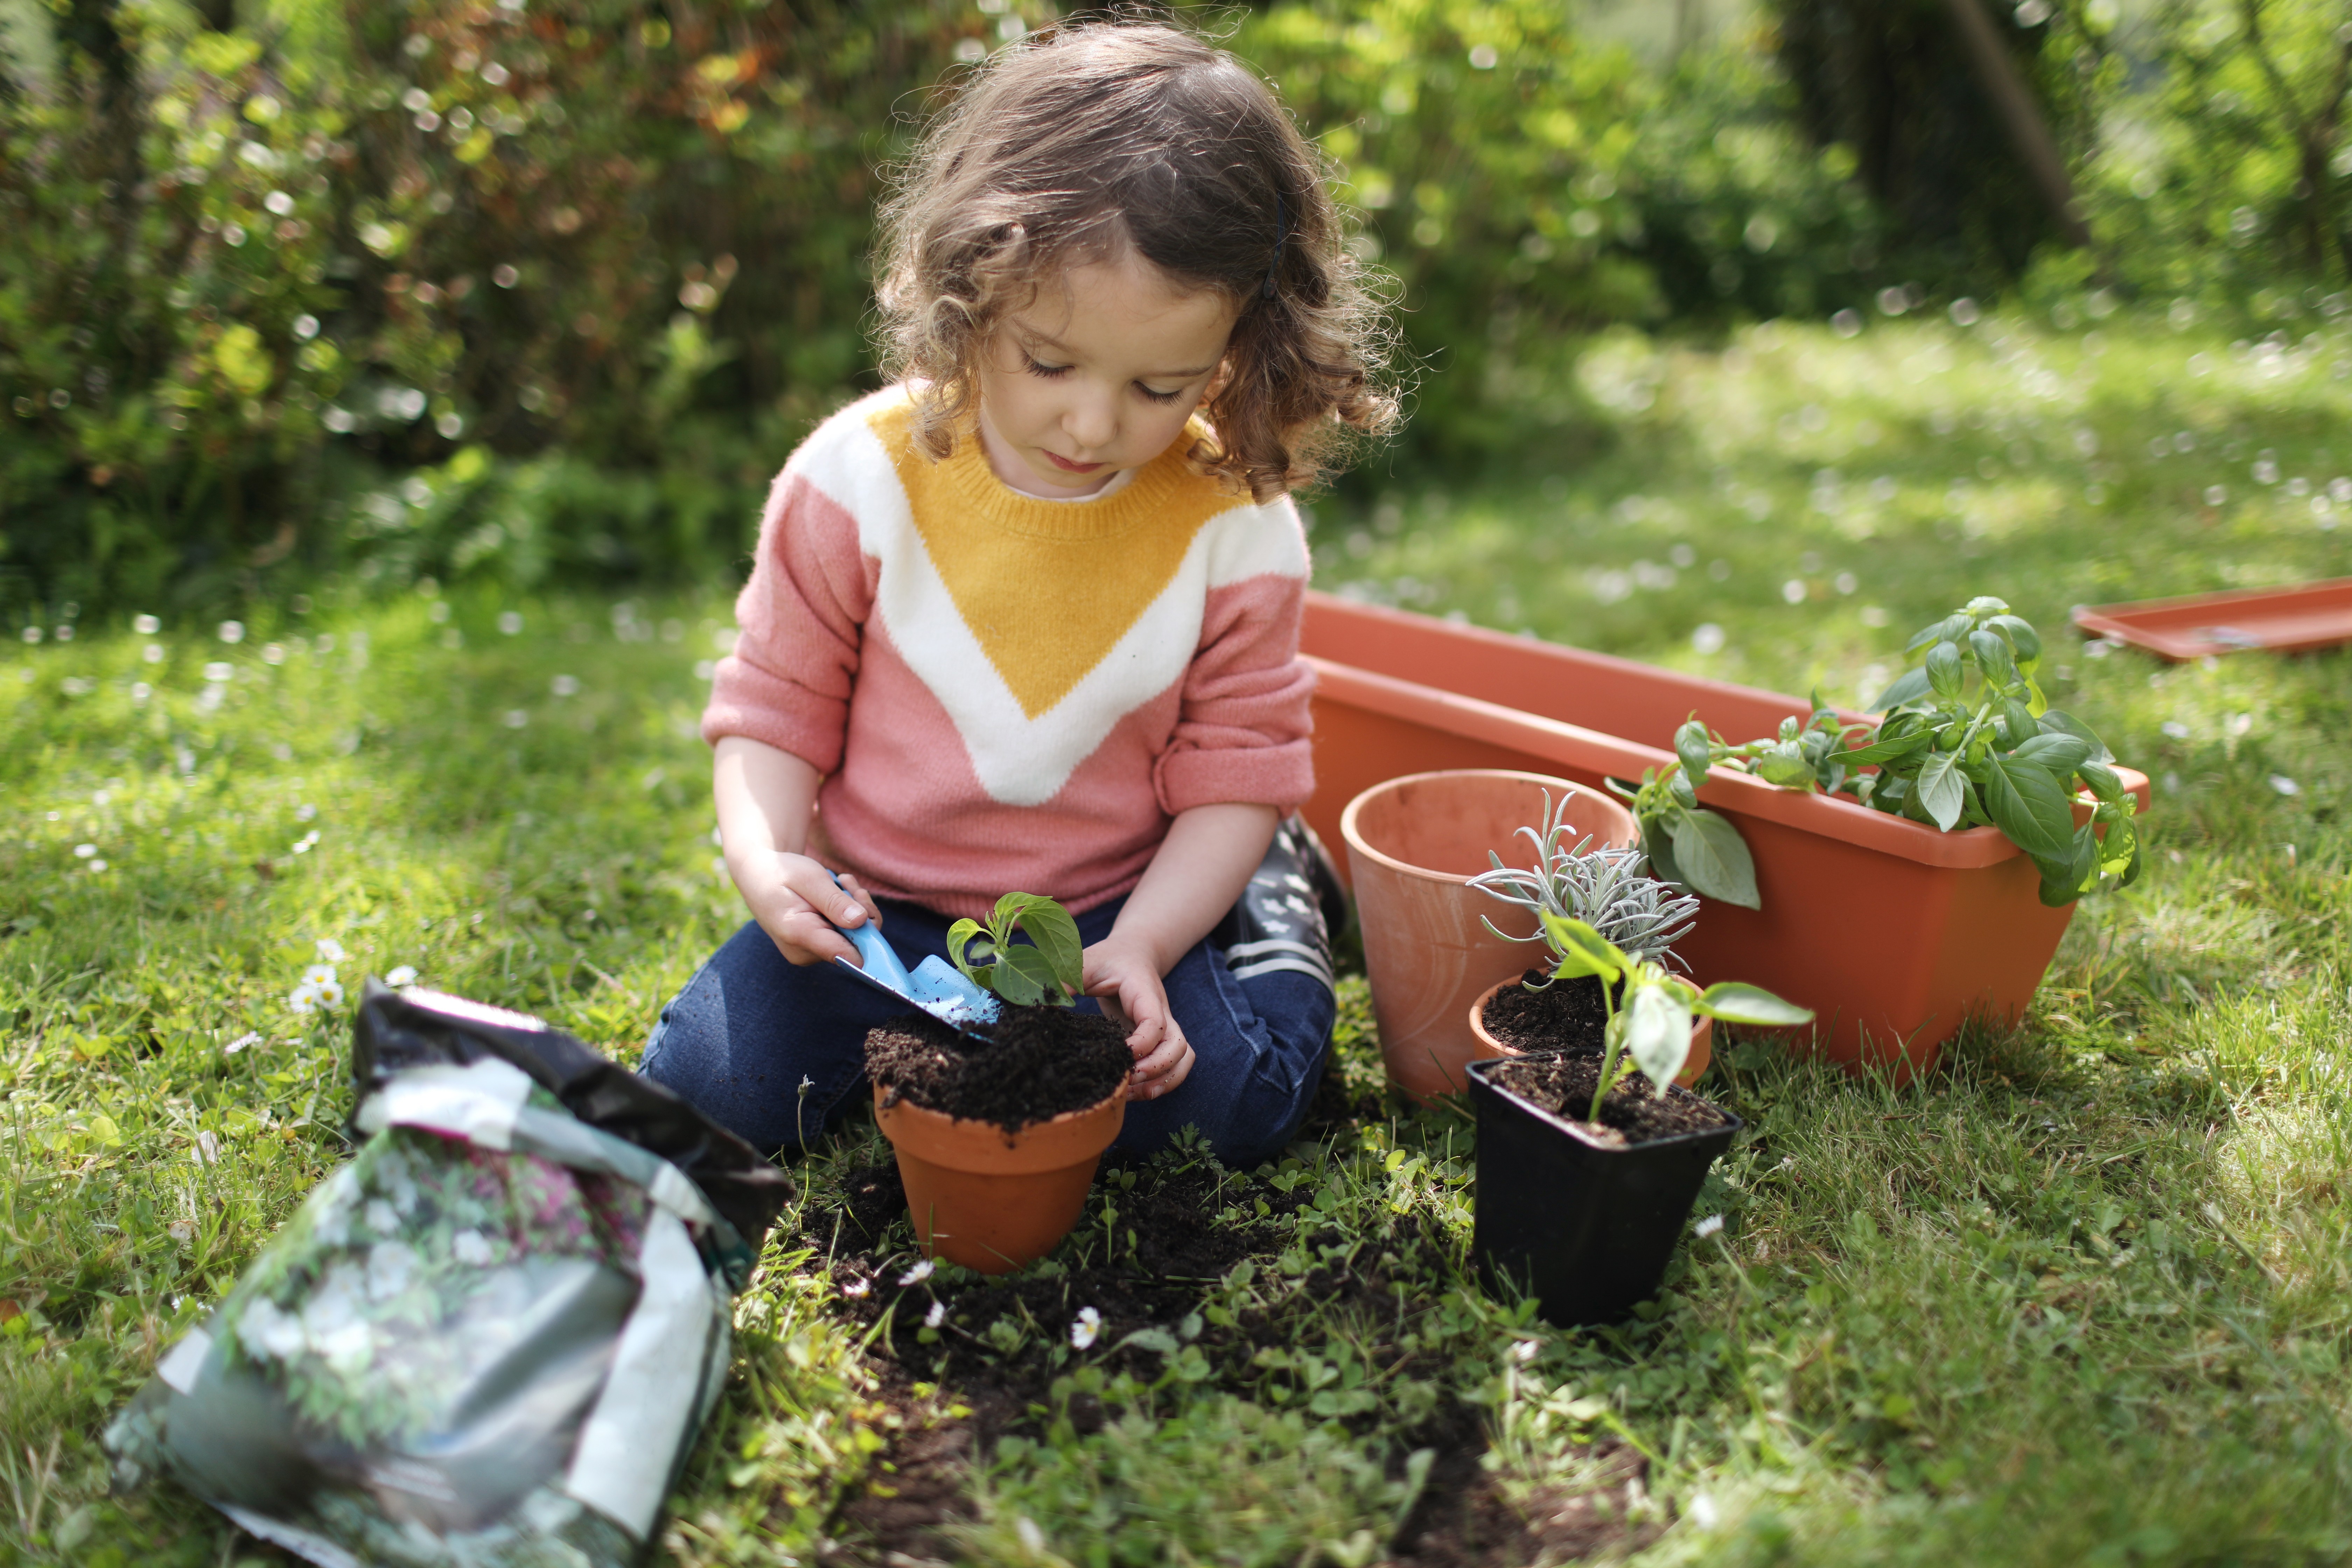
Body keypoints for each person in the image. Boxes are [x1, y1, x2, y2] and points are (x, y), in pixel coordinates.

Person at [640, 19, 1394, 1168]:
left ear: (1245, 346)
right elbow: (772, 708)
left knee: (1227, 1112)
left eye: (1161, 385)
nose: (1093, 426)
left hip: (1114, 908)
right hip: (877, 918)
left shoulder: (1235, 523)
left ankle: (1266, 900)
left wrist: (1145, 943)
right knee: (706, 1095)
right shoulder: (858, 480)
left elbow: (1237, 762)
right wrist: (764, 854)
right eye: (1049, 362)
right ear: (970, 294)